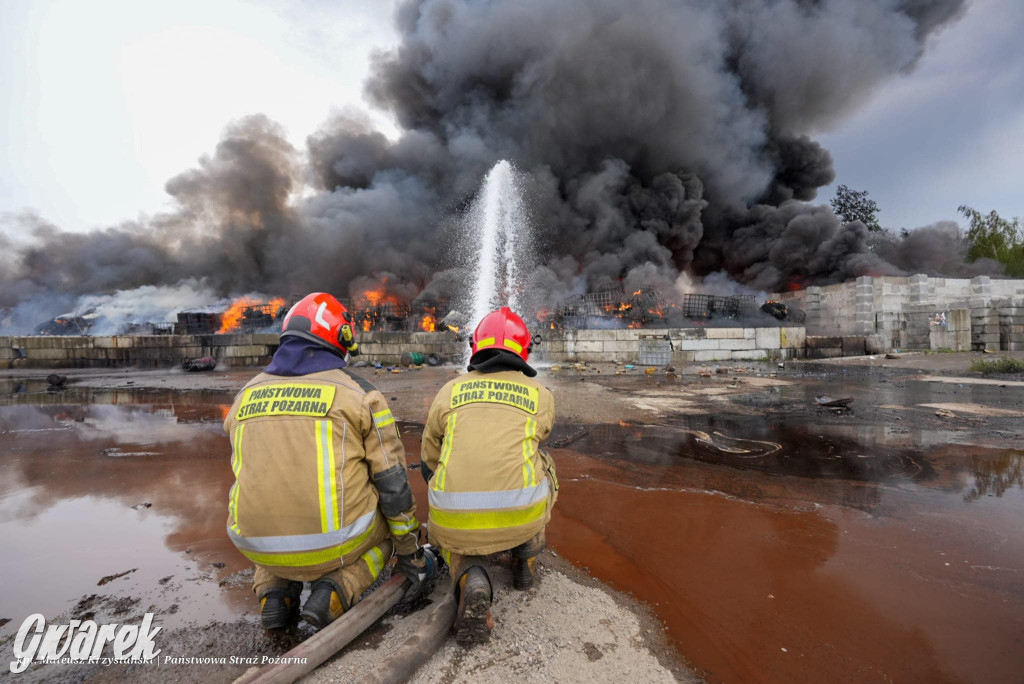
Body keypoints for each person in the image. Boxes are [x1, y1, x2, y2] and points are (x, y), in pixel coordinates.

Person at [223, 292, 426, 630]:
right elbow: (393, 483)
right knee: (390, 534)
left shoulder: (244, 395)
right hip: (332, 544)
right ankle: (335, 590)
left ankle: (273, 595)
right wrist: (410, 552)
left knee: (274, 512)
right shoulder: (361, 396)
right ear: (341, 337)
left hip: (255, 544)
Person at [420, 306, 558, 645]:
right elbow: (535, 442)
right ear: (525, 350)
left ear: (476, 346)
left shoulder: (449, 391)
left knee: (457, 525)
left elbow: (428, 460)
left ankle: (472, 573)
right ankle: (526, 548)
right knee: (545, 463)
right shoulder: (540, 396)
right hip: (519, 515)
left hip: (452, 519)